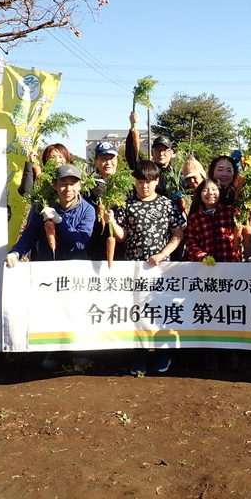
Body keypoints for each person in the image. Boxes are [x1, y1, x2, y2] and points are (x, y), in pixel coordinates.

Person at [7, 164, 96, 370]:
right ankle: (54, 348)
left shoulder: (87, 210)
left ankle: (80, 349)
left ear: (80, 186)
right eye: (63, 184)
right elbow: (29, 235)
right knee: (53, 311)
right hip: (48, 270)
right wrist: (16, 252)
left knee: (76, 311)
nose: (68, 189)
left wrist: (59, 221)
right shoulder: (41, 207)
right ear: (55, 185)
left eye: (72, 184)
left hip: (75, 270)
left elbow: (80, 242)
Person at [106, 160, 186, 375]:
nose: (144, 187)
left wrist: (162, 254)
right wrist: (112, 221)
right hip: (135, 270)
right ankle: (139, 356)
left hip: (162, 270)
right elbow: (121, 237)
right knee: (137, 314)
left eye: (148, 182)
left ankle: (162, 355)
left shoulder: (168, 205)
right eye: (140, 182)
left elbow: (178, 234)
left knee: (161, 312)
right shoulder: (127, 204)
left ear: (156, 181)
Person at [185, 177, 242, 370]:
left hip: (231, 270)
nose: (210, 194)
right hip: (206, 273)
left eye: (214, 190)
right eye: (205, 191)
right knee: (209, 311)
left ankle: (231, 351)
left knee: (230, 311)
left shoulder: (231, 212)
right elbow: (190, 244)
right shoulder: (195, 217)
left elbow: (249, 226)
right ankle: (210, 351)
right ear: (200, 195)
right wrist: (201, 256)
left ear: (220, 192)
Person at [84, 141, 123, 261]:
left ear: (117, 160)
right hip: (96, 243)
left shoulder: (125, 184)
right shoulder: (88, 185)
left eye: (112, 159)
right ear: (96, 160)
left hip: (122, 245)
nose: (108, 163)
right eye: (104, 159)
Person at [125, 111, 178, 197]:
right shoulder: (146, 169)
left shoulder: (177, 176)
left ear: (171, 153)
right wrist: (133, 127)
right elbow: (132, 155)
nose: (161, 153)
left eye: (165, 150)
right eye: (158, 150)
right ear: (152, 152)